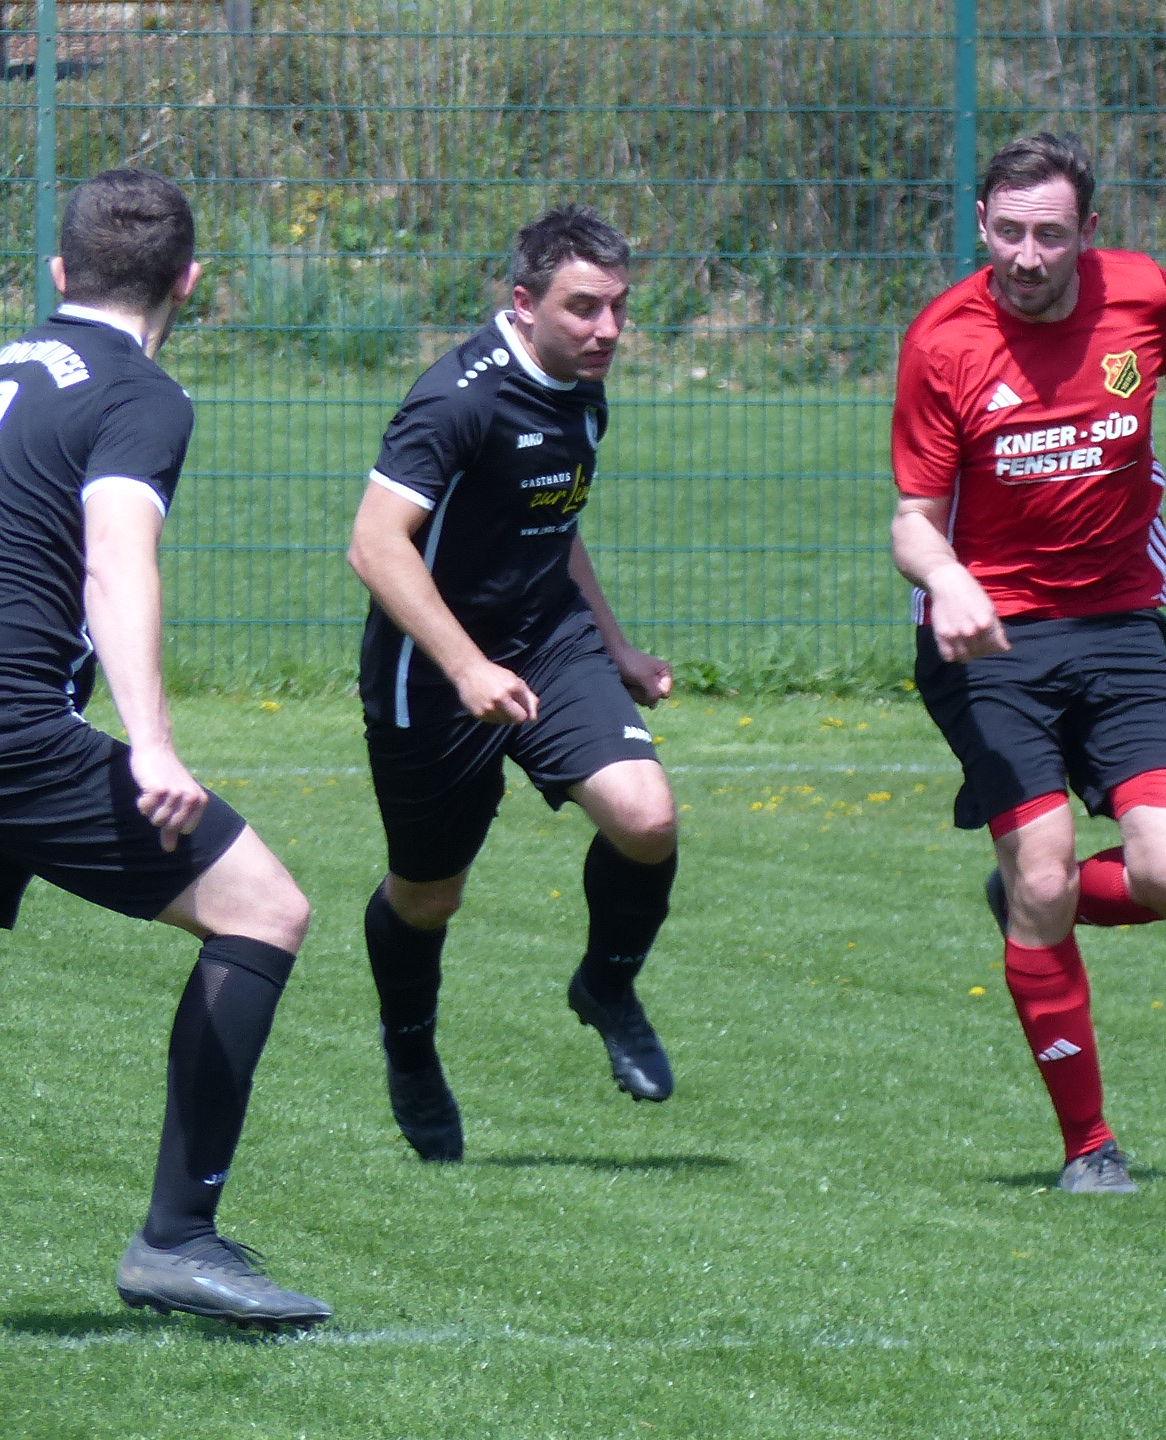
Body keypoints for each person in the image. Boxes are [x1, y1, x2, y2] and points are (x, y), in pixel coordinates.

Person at [890, 133, 1166, 1194]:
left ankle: (1036, 906)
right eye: (1009, 232)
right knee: (1044, 867)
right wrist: (950, 581)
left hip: (1117, 626)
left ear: (1087, 234)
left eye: (1050, 235)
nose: (1027, 256)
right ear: (981, 224)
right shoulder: (942, 342)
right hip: (987, 641)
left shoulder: (1141, 296)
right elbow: (913, 520)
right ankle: (1089, 1147)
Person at [0, 169, 327, 1328]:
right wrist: (151, 743)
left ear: (57, 273)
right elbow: (116, 556)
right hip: (16, 732)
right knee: (263, 909)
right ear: (189, 282)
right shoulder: (140, 394)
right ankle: (177, 1240)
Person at [346, 205, 680, 1164]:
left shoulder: (583, 389)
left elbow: (552, 522)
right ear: (525, 302)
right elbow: (374, 544)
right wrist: (466, 666)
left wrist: (615, 647)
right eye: (583, 308)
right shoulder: (458, 399)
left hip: (549, 643)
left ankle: (606, 985)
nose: (607, 329)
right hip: (430, 673)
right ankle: (411, 1050)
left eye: (618, 307)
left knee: (647, 819)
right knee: (428, 896)